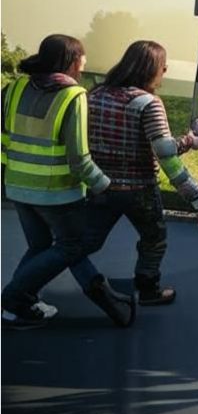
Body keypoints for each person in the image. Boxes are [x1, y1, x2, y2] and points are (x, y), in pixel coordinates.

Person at [0, 35, 134, 329]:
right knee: (71, 246)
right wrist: (105, 185)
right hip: (56, 191)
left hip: (17, 185)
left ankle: (18, 306)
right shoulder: (73, 96)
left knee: (40, 245)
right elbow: (79, 158)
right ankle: (12, 298)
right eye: (82, 64)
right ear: (71, 62)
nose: (82, 70)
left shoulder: (15, 87)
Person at [69, 40, 198, 307]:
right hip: (140, 190)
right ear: (151, 69)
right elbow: (164, 150)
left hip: (100, 185)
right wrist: (192, 142)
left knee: (83, 243)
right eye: (163, 66)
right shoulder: (148, 103)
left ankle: (33, 282)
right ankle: (148, 290)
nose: (166, 70)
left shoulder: (94, 95)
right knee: (154, 238)